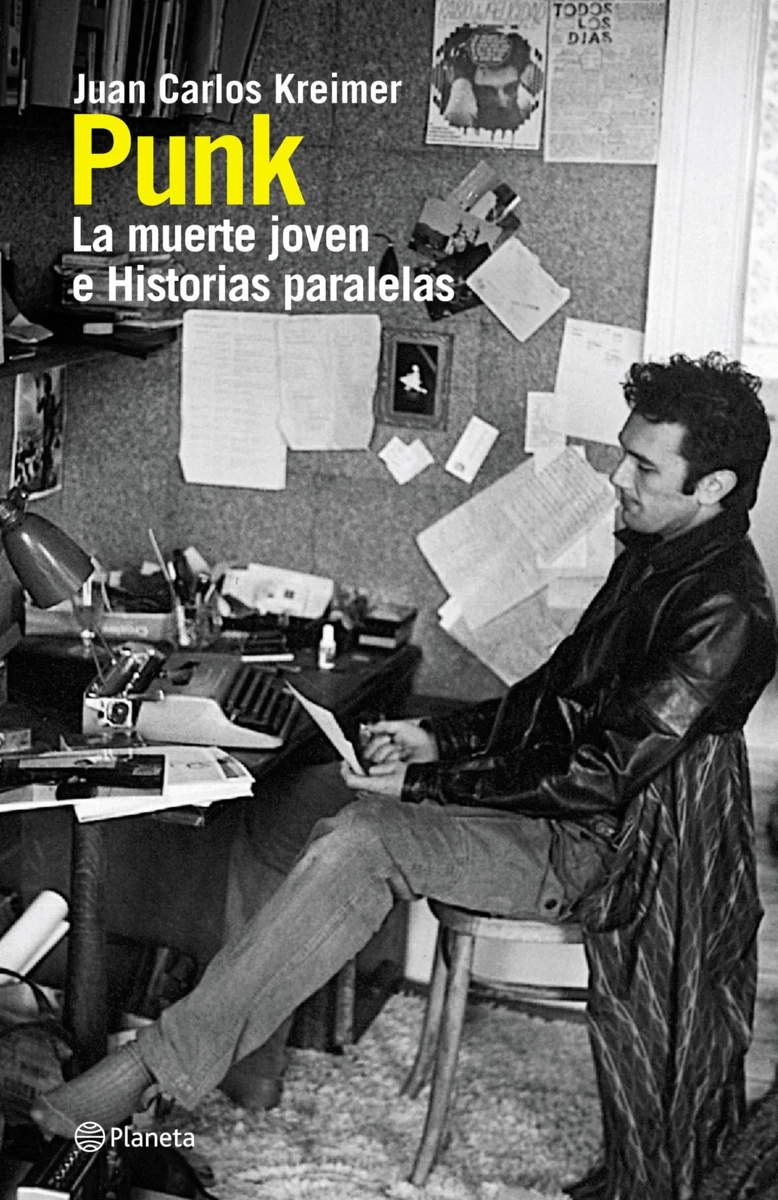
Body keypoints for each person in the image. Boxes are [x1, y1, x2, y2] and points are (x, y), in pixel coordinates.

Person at [32, 353, 778, 1200]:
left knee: (365, 837)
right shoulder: (658, 550)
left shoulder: (727, 610)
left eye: (644, 466)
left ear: (714, 486)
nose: (618, 477)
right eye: (624, 455)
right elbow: (553, 696)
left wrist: (425, 790)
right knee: (324, 807)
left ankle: (148, 1071)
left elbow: (600, 775)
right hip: (568, 804)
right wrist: (433, 739)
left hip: (616, 845)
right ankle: (209, 1066)